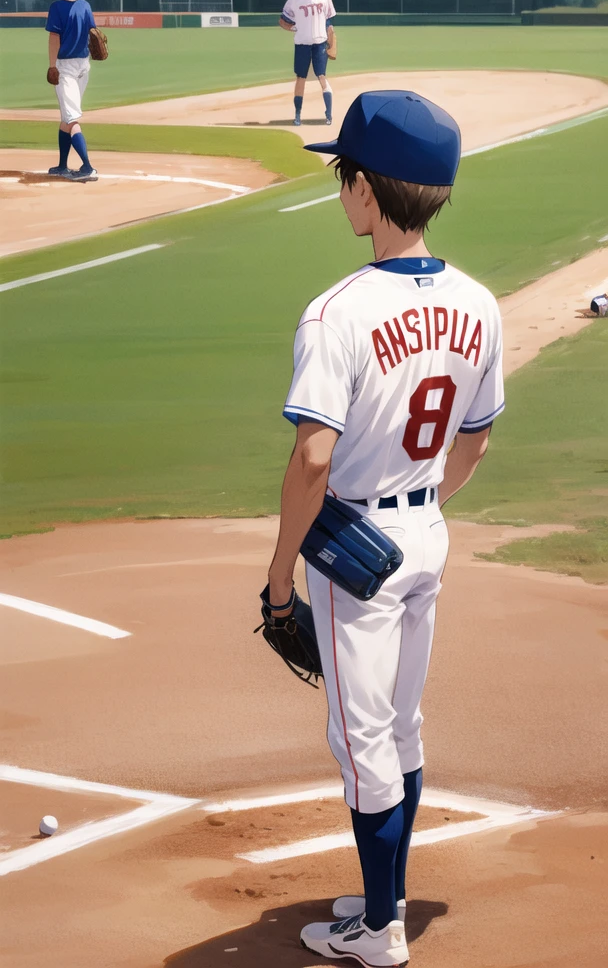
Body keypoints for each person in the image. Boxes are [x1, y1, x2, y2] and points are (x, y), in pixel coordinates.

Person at [266, 91, 505, 966]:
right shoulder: (479, 302)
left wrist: (279, 572)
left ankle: (376, 931)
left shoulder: (338, 312)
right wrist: (427, 504)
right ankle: (389, 892)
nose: (341, 193)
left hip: (355, 551)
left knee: (359, 738)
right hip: (427, 533)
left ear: (366, 191)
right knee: (400, 726)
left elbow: (313, 460)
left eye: (343, 177)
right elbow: (474, 439)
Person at [45, 0, 97, 181]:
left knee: (72, 118)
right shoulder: (85, 5)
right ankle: (62, 165)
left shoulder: (57, 7)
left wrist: (52, 65)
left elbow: (54, 38)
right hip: (84, 65)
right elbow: (93, 33)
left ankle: (87, 167)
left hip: (66, 66)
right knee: (66, 118)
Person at [279, 0, 336, 127]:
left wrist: (331, 40)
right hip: (302, 43)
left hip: (320, 43)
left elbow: (329, 22)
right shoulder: (294, 0)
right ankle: (297, 114)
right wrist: (292, 28)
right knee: (301, 78)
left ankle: (329, 113)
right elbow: (283, 21)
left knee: (322, 76)